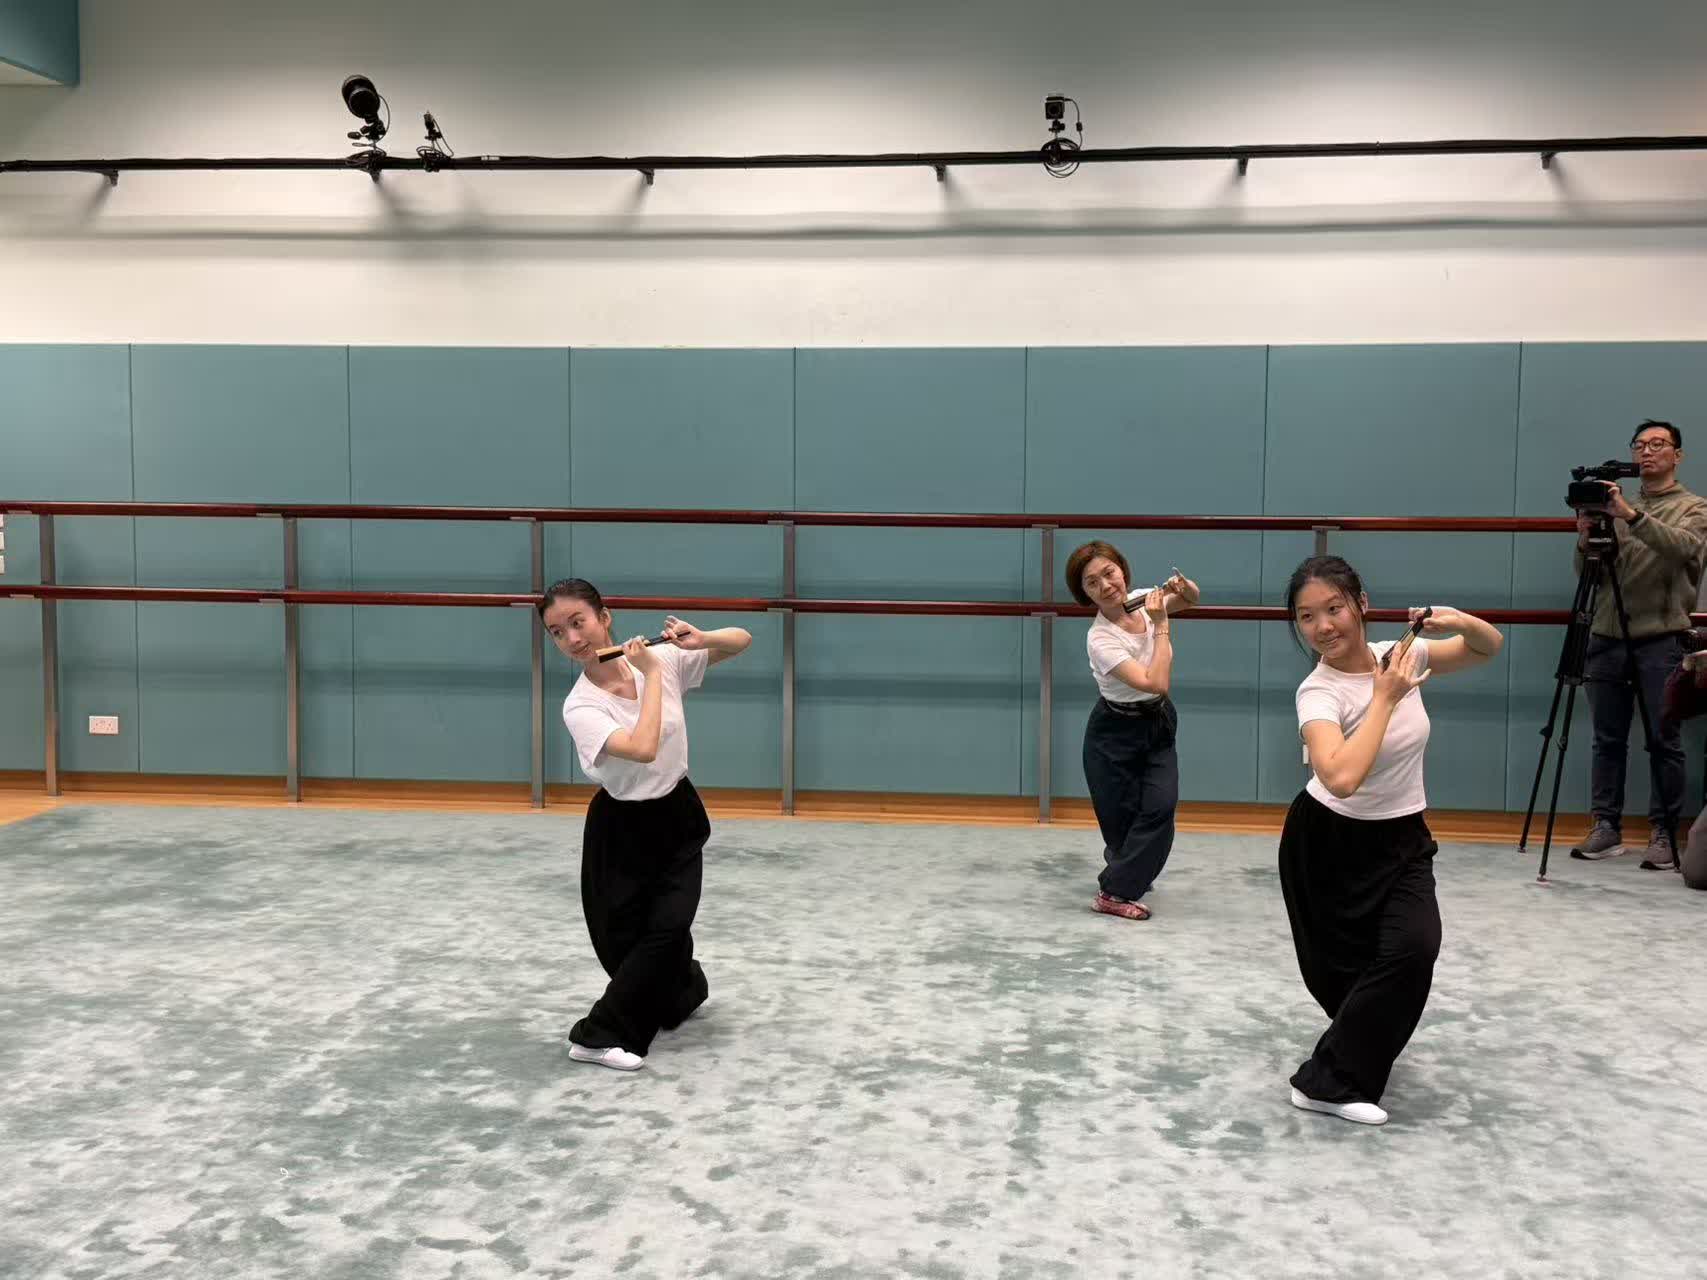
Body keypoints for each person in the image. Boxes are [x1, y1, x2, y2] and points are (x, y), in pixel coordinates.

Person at [1280, 555, 1503, 1126]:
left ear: (1361, 603)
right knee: (1345, 974)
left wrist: (1456, 620)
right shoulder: (1318, 692)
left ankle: (1328, 1079)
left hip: (1402, 835)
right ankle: (1338, 1076)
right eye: (1307, 616)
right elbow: (1341, 777)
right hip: (1328, 842)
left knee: (1414, 946)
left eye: (1334, 608)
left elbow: (1487, 648)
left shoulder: (1400, 655)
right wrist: (1384, 697)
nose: (1323, 626)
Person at [539, 578, 752, 1072]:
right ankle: (637, 1014)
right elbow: (642, 747)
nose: (572, 638)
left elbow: (741, 640)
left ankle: (617, 1024)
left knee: (670, 925)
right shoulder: (581, 706)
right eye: (557, 632)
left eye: (578, 622)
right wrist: (653, 675)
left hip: (677, 812)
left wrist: (702, 639)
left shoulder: (661, 658)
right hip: (621, 826)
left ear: (604, 617)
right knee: (628, 941)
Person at [1569, 420, 1707, 869]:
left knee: (1663, 739)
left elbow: (1685, 549)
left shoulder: (1693, 507)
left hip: (1661, 639)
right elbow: (1587, 573)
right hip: (1606, 635)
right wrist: (1586, 538)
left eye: (1658, 444)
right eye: (1640, 445)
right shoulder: (1613, 505)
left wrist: (1629, 515)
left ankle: (1664, 832)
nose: (1647, 452)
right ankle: (1605, 826)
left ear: (1677, 455)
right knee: (1606, 739)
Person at [1065, 540, 1200, 921]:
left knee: (1161, 806)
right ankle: (1123, 878)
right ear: (1085, 594)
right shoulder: (1100, 638)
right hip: (1113, 731)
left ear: (1122, 570)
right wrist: (1161, 625)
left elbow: (1190, 599)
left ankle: (1116, 887)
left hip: (1157, 722)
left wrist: (1183, 587)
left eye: (1109, 573)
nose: (1106, 585)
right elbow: (1156, 681)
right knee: (1120, 818)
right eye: (1092, 582)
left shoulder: (1141, 599)